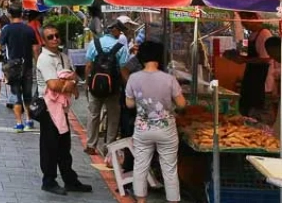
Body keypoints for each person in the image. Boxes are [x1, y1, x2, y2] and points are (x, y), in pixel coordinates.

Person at [125, 41, 186, 203]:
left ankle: (141, 201)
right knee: (169, 169)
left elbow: (129, 104)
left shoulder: (133, 78)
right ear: (160, 56)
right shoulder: (169, 79)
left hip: (143, 128)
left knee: (140, 166)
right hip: (166, 129)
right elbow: (182, 104)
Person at [36, 25, 92, 196]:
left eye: (56, 35)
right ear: (44, 41)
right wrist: (69, 84)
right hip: (48, 108)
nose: (54, 39)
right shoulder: (45, 59)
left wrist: (70, 83)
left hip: (62, 108)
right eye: (50, 37)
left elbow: (74, 77)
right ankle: (49, 180)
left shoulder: (63, 56)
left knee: (63, 145)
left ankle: (69, 179)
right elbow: (53, 84)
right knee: (50, 145)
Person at [84, 19, 131, 155]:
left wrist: (88, 82)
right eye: (119, 31)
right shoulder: (121, 47)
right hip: (113, 88)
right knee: (113, 116)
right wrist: (127, 85)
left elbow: (88, 65)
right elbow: (123, 70)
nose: (120, 34)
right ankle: (109, 147)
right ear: (114, 30)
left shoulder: (95, 43)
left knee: (93, 114)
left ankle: (91, 145)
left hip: (95, 86)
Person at [0, 6, 39, 132]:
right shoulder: (29, 29)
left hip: (13, 67)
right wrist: (37, 63)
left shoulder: (7, 30)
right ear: (22, 15)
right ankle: (29, 120)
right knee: (27, 95)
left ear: (10, 15)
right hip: (27, 66)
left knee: (16, 94)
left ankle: (19, 123)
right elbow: (35, 49)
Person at [231, 11, 273, 118]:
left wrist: (244, 60)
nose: (244, 24)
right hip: (251, 80)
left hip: (261, 84)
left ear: (254, 17)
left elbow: (265, 59)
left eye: (245, 20)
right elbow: (244, 54)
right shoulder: (251, 35)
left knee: (257, 115)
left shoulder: (265, 34)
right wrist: (234, 56)